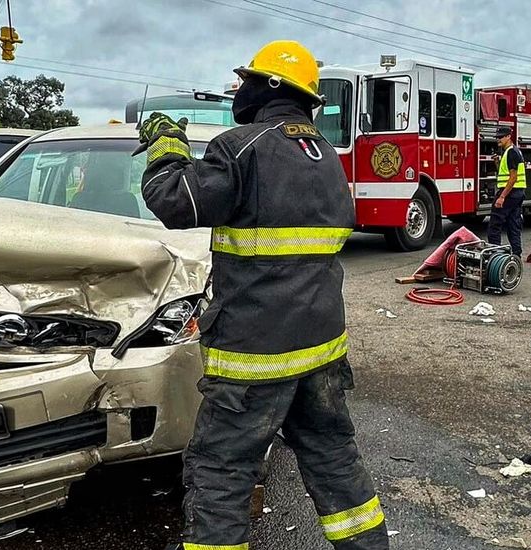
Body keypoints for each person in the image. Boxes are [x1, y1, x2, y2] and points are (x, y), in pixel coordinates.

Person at [137, 40, 389, 550]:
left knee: (222, 472)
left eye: (246, 79)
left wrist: (167, 144)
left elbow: (175, 201)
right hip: (320, 349)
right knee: (333, 458)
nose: (239, 88)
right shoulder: (324, 156)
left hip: (254, 358)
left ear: (270, 86)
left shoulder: (240, 147)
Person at [488, 127, 526, 257]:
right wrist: (497, 163)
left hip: (510, 193)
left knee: (494, 225)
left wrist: (502, 196)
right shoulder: (512, 152)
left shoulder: (511, 152)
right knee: (513, 225)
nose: (498, 139)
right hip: (517, 193)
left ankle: (495, 256)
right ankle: (516, 255)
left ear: (509, 136)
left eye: (501, 137)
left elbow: (513, 177)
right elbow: (505, 174)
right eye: (497, 137)